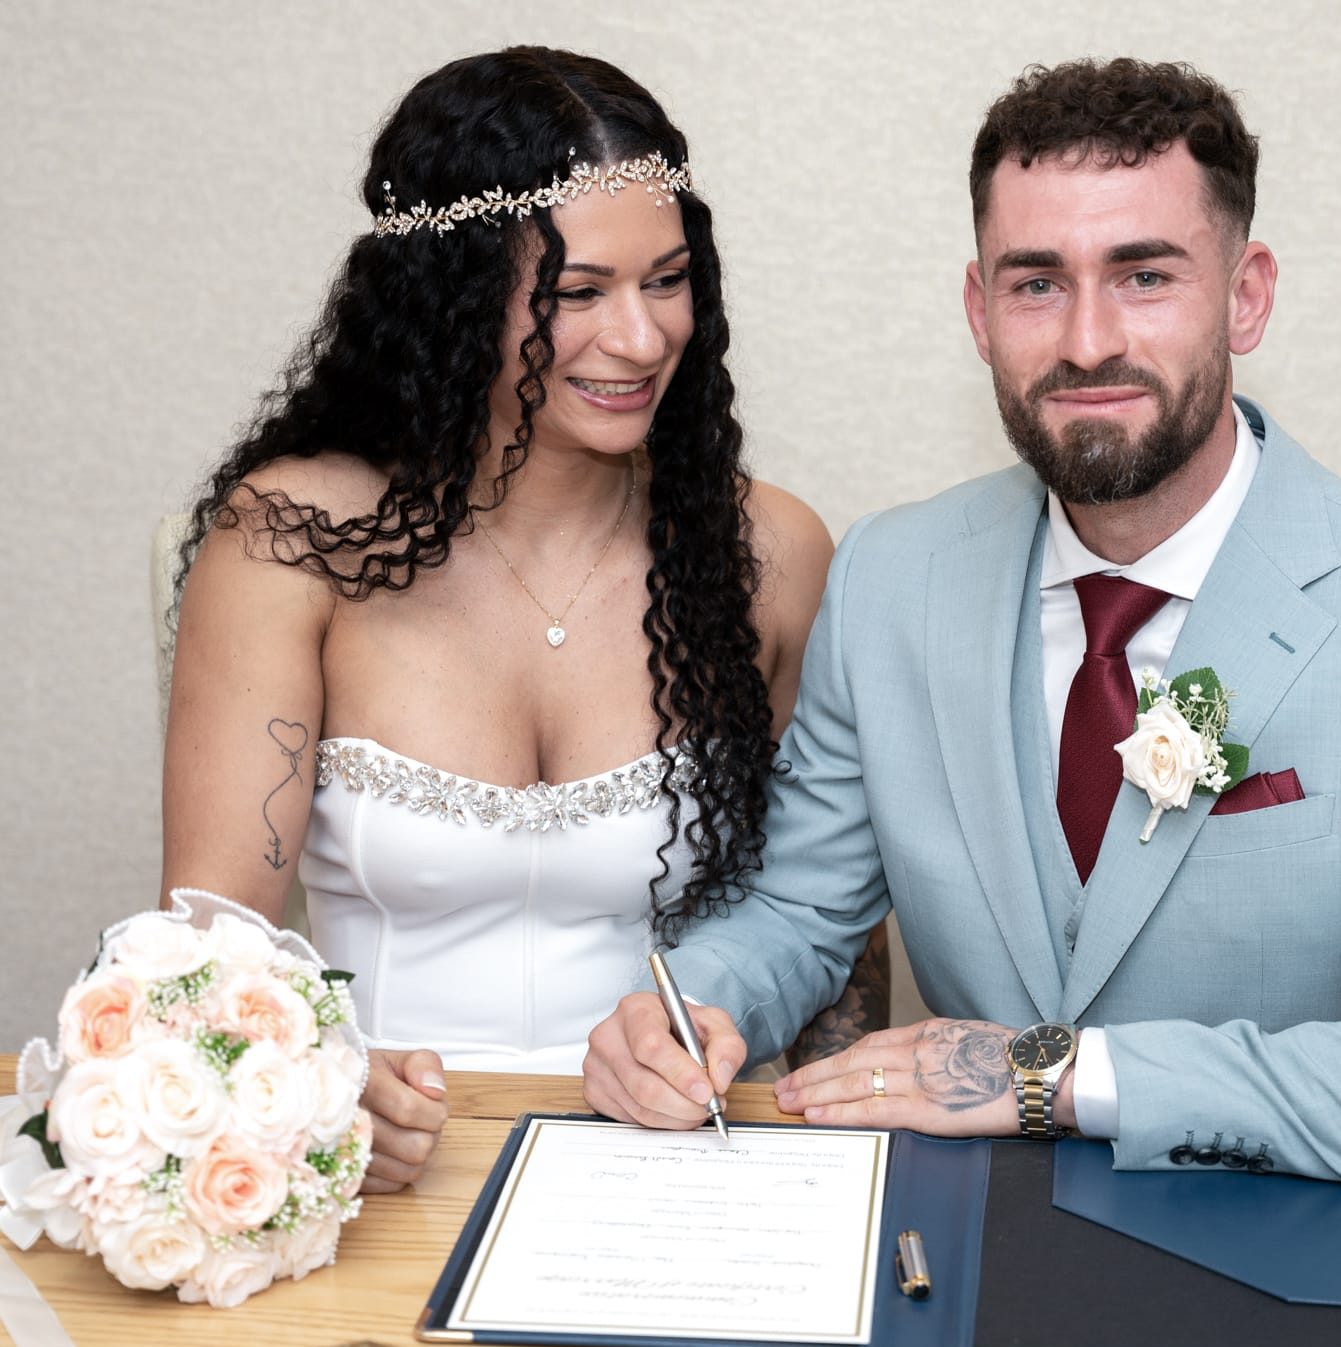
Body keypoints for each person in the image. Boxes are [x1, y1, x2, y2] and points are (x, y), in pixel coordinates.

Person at [583, 57, 1341, 1199]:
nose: (1087, 339)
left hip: (1289, 1250)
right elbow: (800, 908)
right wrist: (690, 1005)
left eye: (1144, 275)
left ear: (1246, 294)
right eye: (1036, 283)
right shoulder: (889, 580)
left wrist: (1053, 1076)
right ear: (977, 310)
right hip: (948, 1240)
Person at [159, 47, 887, 1194]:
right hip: (374, 1163)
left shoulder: (771, 555)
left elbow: (825, 908)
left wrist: (845, 1143)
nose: (641, 338)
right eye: (577, 292)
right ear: (451, 296)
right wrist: (313, 1081)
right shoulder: (291, 540)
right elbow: (209, 939)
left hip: (688, 1159)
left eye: (667, 280)